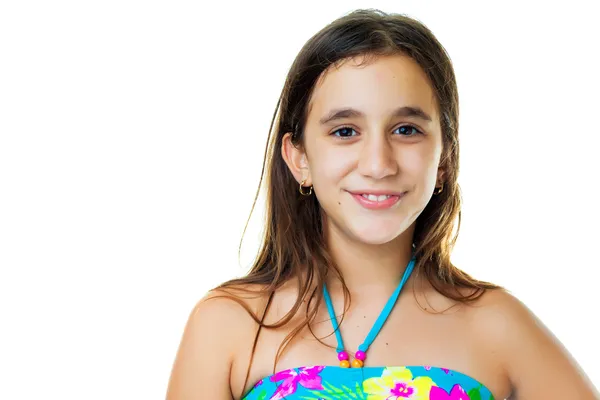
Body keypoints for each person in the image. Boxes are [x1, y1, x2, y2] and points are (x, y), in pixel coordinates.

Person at [166, 9, 598, 400]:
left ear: (444, 159)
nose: (378, 164)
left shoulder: (496, 324)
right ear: (299, 158)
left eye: (407, 130)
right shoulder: (227, 325)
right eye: (345, 131)